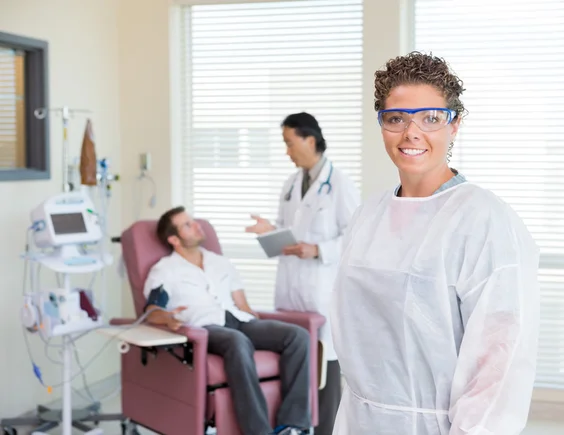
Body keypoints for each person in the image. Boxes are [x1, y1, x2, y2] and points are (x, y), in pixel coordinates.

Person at [329, 52, 540, 435]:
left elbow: (499, 364)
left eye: (430, 118)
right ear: (382, 126)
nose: (412, 133)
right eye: (397, 119)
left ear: (454, 125)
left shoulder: (484, 220)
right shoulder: (367, 216)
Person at [143, 206, 312, 435]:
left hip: (239, 320)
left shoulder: (219, 262)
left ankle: (292, 424)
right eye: (187, 225)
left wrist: (259, 322)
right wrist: (168, 318)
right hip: (205, 327)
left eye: (193, 221)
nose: (197, 225)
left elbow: (242, 305)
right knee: (237, 341)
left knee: (297, 336)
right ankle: (259, 432)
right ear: (174, 239)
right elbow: (152, 310)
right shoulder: (165, 270)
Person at [245, 112, 361, 435]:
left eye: (289, 142)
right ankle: (293, 427)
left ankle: (325, 431)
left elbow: (355, 236)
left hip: (320, 290)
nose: (287, 151)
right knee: (293, 362)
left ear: (310, 140)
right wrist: (270, 231)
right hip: (290, 288)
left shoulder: (339, 184)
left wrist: (318, 249)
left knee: (324, 369)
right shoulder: (291, 183)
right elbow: (288, 231)